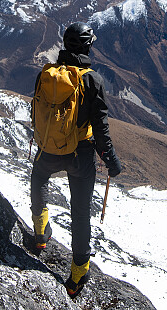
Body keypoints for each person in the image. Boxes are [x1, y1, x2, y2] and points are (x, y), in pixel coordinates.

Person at [30, 22, 123, 297]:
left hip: (48, 149)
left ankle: (41, 234)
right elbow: (102, 130)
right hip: (80, 156)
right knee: (80, 214)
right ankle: (77, 276)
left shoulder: (46, 74)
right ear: (87, 46)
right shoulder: (92, 80)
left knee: (38, 178)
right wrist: (112, 162)